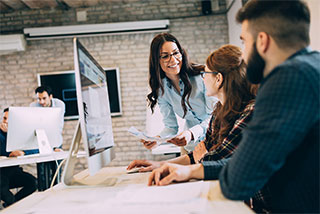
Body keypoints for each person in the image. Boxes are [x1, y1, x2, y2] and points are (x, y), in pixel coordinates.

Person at [148, 1, 320, 213]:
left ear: (263, 41)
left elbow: (239, 178)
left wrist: (198, 164)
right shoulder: (312, 69)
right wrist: (193, 167)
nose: (244, 56)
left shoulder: (286, 81)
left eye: (245, 42)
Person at [128, 45, 256, 174]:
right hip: (193, 151)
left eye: (205, 73)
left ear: (218, 79)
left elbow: (217, 162)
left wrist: (201, 157)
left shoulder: (250, 112)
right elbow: (201, 155)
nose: (203, 77)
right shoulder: (219, 111)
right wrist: (159, 164)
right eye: (165, 56)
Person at [143, 33, 216, 153]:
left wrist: (191, 133)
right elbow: (171, 127)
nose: (173, 60)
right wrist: (157, 140)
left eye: (176, 53)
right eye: (165, 56)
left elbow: (214, 117)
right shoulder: (162, 90)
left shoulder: (202, 76)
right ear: (157, 61)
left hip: (215, 144)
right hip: (190, 148)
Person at [30, 85, 65, 190]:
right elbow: (34, 126)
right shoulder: (33, 106)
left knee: (56, 173)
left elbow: (57, 126)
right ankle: (43, 194)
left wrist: (55, 146)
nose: (41, 102)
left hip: (55, 141)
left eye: (44, 98)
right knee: (42, 175)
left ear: (50, 97)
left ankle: (57, 194)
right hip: (41, 143)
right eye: (39, 99)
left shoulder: (59, 104)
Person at [0, 108, 37, 207]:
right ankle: (12, 204)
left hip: (13, 172)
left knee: (33, 183)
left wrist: (23, 152)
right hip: (1, 174)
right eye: (4, 118)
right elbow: (4, 151)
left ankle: (11, 205)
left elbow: (35, 148)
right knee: (8, 196)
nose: (6, 121)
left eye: (9, 119)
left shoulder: (19, 133)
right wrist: (7, 134)